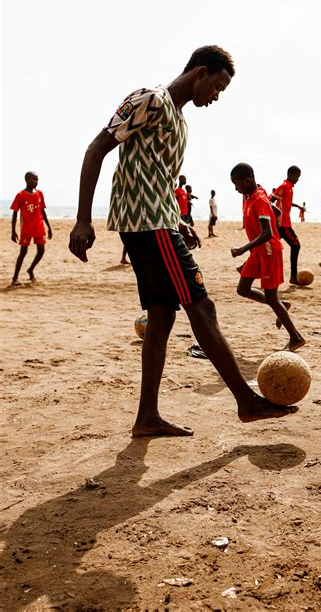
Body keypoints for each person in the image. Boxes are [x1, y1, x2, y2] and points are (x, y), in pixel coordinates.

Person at [68, 45, 298, 436]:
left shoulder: (179, 120)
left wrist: (178, 221)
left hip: (160, 222)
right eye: (217, 87)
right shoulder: (150, 99)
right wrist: (82, 220)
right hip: (147, 225)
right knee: (202, 306)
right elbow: (96, 149)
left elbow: (155, 178)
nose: (216, 97)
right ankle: (247, 401)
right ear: (200, 73)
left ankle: (147, 418)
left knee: (162, 317)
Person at [230, 163, 305, 352]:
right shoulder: (252, 195)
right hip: (258, 253)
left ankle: (296, 337)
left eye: (236, 184)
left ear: (247, 180)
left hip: (270, 252)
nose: (235, 188)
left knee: (271, 298)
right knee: (243, 289)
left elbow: (266, 233)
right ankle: (283, 305)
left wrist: (242, 249)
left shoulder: (259, 200)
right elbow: (277, 212)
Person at [10, 171, 52, 286]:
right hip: (27, 228)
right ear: (27, 179)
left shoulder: (39, 193)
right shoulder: (20, 195)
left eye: (37, 180)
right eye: (34, 179)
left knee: (41, 250)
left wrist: (49, 227)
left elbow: (42, 211)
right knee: (23, 252)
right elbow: (14, 213)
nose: (36, 182)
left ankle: (30, 269)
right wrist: (13, 231)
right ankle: (15, 278)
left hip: (39, 226)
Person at [271, 166, 304, 285]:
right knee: (296, 245)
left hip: (283, 223)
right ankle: (293, 277)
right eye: (297, 176)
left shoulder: (289, 187)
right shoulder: (284, 186)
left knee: (266, 245)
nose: (298, 179)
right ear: (290, 174)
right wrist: (276, 217)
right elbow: (271, 200)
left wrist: (298, 206)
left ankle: (244, 267)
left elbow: (286, 202)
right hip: (283, 223)